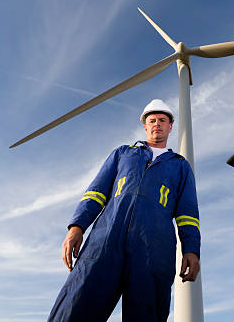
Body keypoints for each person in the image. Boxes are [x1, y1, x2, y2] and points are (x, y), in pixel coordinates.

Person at [48, 99, 201, 322]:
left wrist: (192, 250)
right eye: (152, 121)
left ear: (170, 126)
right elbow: (96, 193)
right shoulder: (123, 154)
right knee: (76, 304)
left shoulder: (180, 165)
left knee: (147, 313)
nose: (156, 124)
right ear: (145, 127)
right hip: (105, 241)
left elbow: (188, 213)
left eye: (162, 120)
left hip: (154, 249)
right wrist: (76, 227)